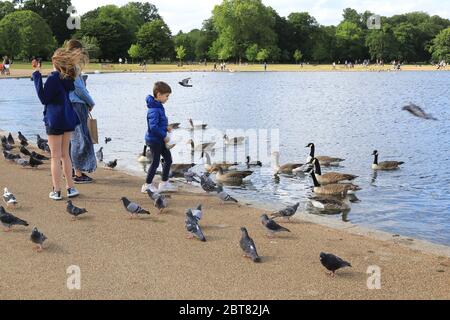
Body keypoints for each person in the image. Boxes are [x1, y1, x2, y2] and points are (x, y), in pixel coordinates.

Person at [32, 48, 82, 200]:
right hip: (67, 118)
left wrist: (36, 75)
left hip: (55, 119)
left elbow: (43, 98)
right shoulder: (67, 79)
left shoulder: (54, 78)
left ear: (56, 64)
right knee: (65, 154)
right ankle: (71, 188)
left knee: (55, 156)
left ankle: (57, 191)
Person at [65, 39, 97, 184]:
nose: (81, 54)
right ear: (75, 50)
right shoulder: (73, 66)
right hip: (77, 105)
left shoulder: (63, 65)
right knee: (80, 139)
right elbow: (79, 89)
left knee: (71, 139)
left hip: (67, 104)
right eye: (79, 51)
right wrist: (91, 102)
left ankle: (71, 169)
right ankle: (78, 173)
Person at [141, 81, 176, 193]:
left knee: (168, 160)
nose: (167, 98)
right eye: (167, 96)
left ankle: (164, 183)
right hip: (154, 140)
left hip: (159, 139)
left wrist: (166, 127)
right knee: (155, 162)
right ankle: (147, 185)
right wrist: (164, 135)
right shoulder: (154, 109)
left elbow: (159, 124)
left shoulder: (159, 106)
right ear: (159, 94)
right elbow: (153, 128)